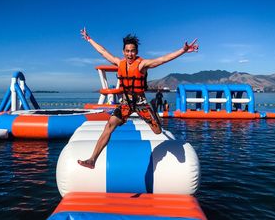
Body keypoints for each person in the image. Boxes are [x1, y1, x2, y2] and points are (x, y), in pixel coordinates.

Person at [77, 27, 198, 169]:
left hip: (141, 102)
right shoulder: (119, 62)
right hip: (126, 103)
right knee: (109, 125)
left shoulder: (142, 64)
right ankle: (92, 160)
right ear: (123, 52)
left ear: (136, 52)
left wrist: (183, 50)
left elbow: (163, 59)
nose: (130, 54)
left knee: (158, 131)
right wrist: (89, 39)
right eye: (127, 51)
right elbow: (103, 51)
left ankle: (153, 111)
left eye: (132, 51)